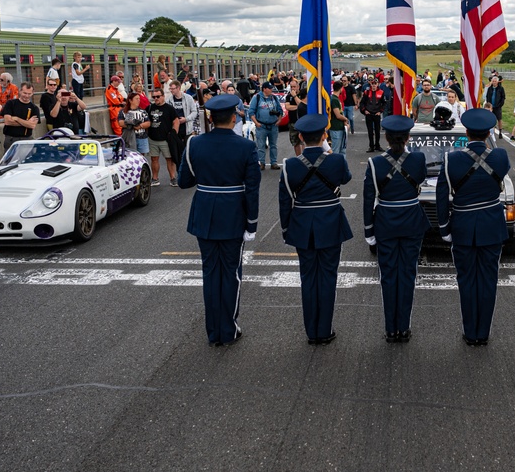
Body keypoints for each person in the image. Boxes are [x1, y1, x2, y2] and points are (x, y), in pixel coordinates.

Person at [178, 94, 261, 347]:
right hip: (233, 215)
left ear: (210, 118)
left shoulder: (194, 144)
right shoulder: (246, 147)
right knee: (231, 274)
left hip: (204, 213)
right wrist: (252, 223)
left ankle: (213, 332)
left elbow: (184, 182)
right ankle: (228, 328)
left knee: (210, 273)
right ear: (234, 117)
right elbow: (252, 189)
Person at [435, 108, 509, 345]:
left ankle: (470, 332)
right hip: (491, 225)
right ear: (488, 133)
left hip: (463, 224)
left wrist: (445, 228)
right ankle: (483, 333)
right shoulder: (501, 157)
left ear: (466, 133)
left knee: (466, 279)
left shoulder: (451, 159)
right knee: (488, 279)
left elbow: (441, 196)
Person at [279, 114, 353, 345]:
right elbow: (346, 178)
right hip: (330, 221)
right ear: (324, 136)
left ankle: (312, 331)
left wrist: (285, 229)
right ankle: (325, 328)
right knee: (328, 277)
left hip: (302, 224)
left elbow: (284, 201)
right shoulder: (336, 160)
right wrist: (328, 152)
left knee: (308, 278)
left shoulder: (290, 165)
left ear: (300, 137)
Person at [362, 116, 429, 342]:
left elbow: (367, 198)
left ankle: (391, 329)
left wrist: (368, 230)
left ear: (386, 138)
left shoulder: (375, 163)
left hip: (385, 222)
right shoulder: (418, 159)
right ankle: (404, 327)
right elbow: (421, 178)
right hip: (411, 220)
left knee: (388, 276)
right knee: (408, 274)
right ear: (408, 137)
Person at [145, 88, 177, 186]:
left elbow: (176, 121)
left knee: (170, 159)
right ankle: (155, 178)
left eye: (158, 96)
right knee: (154, 159)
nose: (156, 99)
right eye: (154, 97)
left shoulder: (169, 108)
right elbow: (146, 121)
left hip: (166, 139)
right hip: (152, 138)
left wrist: (174, 134)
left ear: (163, 96)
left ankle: (173, 178)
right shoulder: (149, 108)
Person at [249, 82, 283, 169]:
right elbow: (251, 112)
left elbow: (280, 110)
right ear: (264, 89)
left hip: (273, 125)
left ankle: (274, 162)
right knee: (261, 145)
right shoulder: (257, 97)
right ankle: (261, 163)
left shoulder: (274, 97)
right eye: (269, 88)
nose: (271, 89)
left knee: (273, 145)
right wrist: (256, 123)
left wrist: (279, 120)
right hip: (262, 126)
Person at [1, 83, 40, 151]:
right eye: (24, 93)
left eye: (29, 94)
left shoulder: (34, 108)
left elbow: (32, 125)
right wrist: (27, 123)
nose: (27, 96)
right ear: (20, 91)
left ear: (32, 93)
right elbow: (8, 121)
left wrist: (17, 119)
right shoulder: (10, 104)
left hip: (27, 139)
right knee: (10, 160)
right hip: (11, 139)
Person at [360, 77, 387, 152]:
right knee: (370, 131)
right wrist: (364, 110)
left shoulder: (381, 92)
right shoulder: (367, 92)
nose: (374, 85)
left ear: (378, 84)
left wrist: (380, 111)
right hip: (369, 114)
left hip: (377, 114)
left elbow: (384, 103)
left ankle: (377, 145)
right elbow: (362, 103)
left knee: (377, 131)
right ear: (370, 84)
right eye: (372, 84)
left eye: (375, 84)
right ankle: (371, 146)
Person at [285, 79, 304, 157]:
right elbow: (287, 107)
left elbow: (302, 105)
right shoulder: (288, 96)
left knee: (303, 142)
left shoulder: (302, 94)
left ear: (298, 87)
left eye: (294, 87)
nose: (293, 88)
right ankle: (299, 158)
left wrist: (295, 96)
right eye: (291, 87)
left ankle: (305, 158)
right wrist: (297, 107)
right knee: (295, 143)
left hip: (302, 122)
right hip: (293, 122)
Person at [329, 81, 348, 155]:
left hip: (340, 127)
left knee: (342, 149)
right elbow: (338, 115)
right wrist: (346, 119)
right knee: (336, 150)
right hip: (336, 128)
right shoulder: (334, 99)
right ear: (341, 88)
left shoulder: (335, 98)